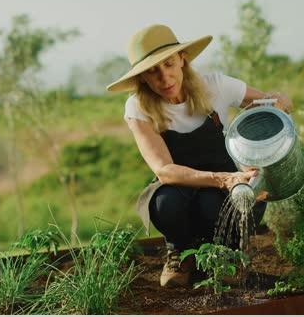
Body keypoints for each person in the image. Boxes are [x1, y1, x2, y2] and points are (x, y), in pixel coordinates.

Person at [106, 24, 293, 288]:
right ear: (143, 79)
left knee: (226, 200)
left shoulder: (215, 86)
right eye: (152, 71)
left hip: (221, 187)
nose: (164, 77)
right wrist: (225, 179)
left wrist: (276, 108)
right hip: (179, 186)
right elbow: (164, 170)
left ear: (182, 59)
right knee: (163, 203)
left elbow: (274, 103)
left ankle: (231, 253)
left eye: (168, 64)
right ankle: (180, 253)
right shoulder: (137, 107)